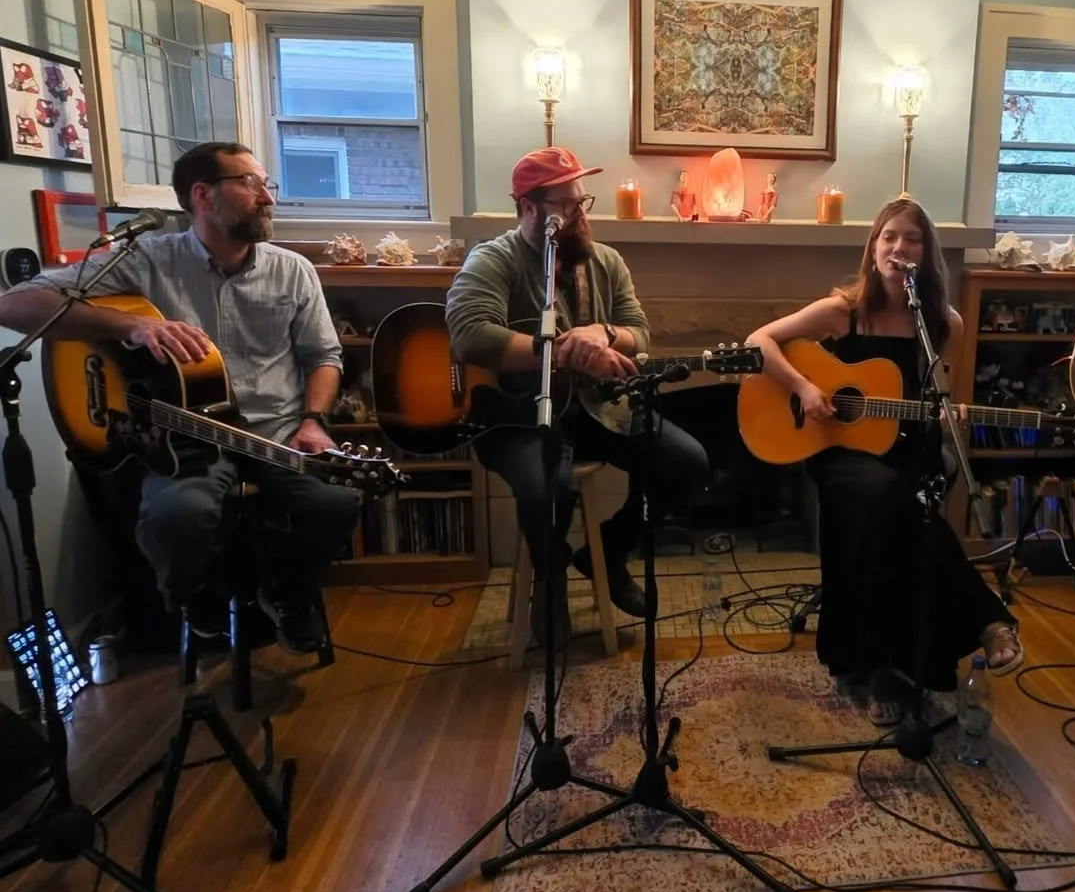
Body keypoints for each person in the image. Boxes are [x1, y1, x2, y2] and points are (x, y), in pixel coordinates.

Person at [0, 141, 362, 654]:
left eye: (267, 185)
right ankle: (193, 598)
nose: (268, 199)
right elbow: (14, 304)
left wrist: (314, 421)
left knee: (338, 500)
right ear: (202, 195)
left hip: (275, 431)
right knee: (177, 517)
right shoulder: (146, 259)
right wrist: (129, 326)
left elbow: (324, 356)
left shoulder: (293, 270)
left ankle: (288, 594)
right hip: (185, 437)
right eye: (251, 184)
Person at [745, 197, 1021, 726]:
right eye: (889, 237)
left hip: (907, 449)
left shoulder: (943, 323)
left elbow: (939, 399)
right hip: (836, 450)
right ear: (873, 249)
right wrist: (803, 388)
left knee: (905, 506)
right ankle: (981, 620)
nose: (900, 247)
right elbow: (761, 341)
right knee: (886, 496)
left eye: (912, 239)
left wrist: (950, 416)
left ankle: (896, 666)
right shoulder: (842, 311)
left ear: (927, 253)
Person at [445, 146, 709, 644]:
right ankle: (550, 580)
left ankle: (608, 552)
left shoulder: (606, 261)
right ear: (528, 207)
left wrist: (603, 333)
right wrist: (563, 351)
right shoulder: (493, 259)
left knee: (686, 463)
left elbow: (639, 333)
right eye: (566, 205)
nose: (580, 214)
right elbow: (469, 334)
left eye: (582, 201)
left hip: (598, 408)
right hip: (519, 416)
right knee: (549, 486)